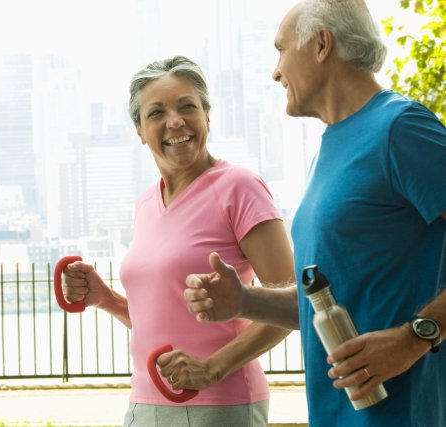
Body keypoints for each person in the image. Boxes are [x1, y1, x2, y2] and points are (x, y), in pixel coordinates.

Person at [183, 1, 446, 426]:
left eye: (281, 49)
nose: (275, 72)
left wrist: (416, 336)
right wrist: (244, 300)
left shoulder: (401, 128)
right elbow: (330, 302)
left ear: (322, 44)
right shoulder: (330, 148)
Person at [60, 55, 295, 426]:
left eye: (188, 107)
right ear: (139, 130)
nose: (175, 121)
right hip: (142, 404)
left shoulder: (240, 188)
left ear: (207, 117)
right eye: (156, 113)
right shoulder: (145, 204)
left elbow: (294, 305)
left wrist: (212, 369)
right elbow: (161, 319)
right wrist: (104, 299)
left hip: (219, 406)